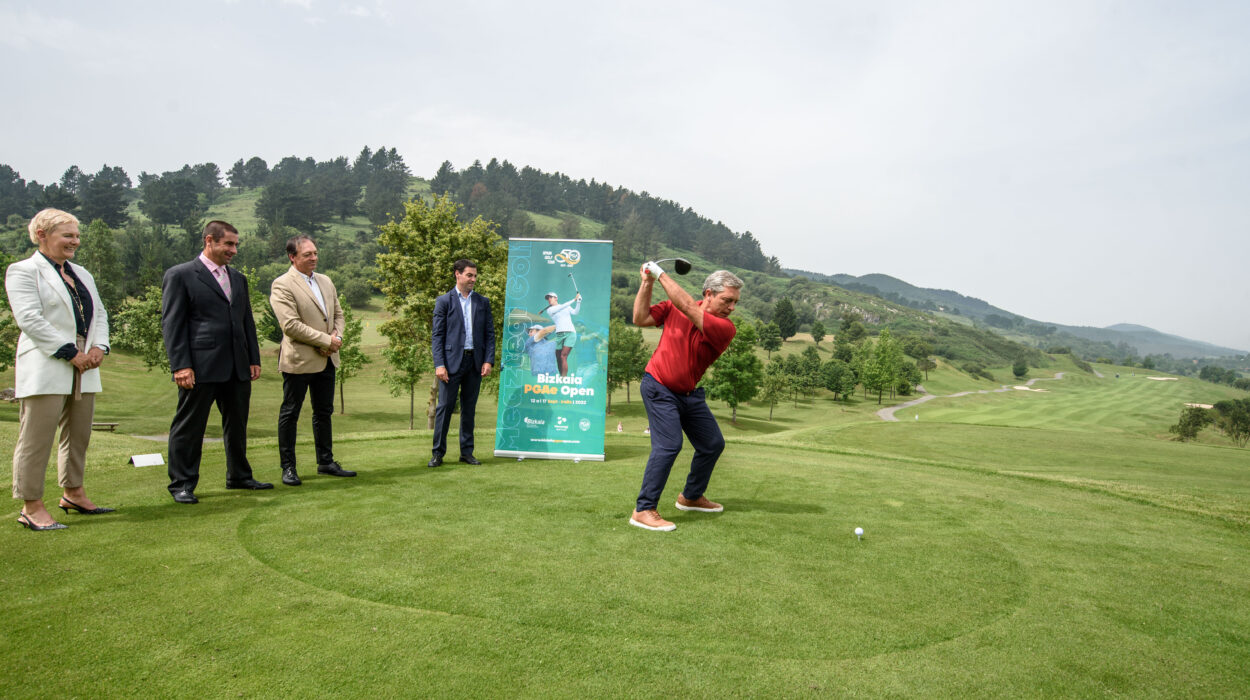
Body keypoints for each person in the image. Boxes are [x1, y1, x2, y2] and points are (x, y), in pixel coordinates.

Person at [6, 209, 113, 530]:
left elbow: (100, 314)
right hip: (47, 363)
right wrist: (70, 353)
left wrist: (99, 347)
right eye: (68, 235)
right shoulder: (23, 271)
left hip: (86, 365)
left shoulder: (82, 274)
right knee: (36, 438)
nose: (75, 242)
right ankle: (31, 505)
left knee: (79, 435)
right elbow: (30, 319)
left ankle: (73, 493)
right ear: (42, 234)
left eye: (77, 236)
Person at [161, 221, 271, 503]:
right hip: (200, 366)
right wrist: (180, 365)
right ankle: (182, 484)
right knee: (189, 427)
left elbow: (246, 320)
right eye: (229, 244)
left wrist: (253, 358)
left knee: (237, 425)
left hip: (237, 365)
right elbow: (172, 324)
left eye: (236, 245)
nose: (234, 250)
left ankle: (239, 476)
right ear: (209, 240)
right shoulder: (181, 275)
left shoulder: (238, 278)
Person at [629, 263, 743, 532]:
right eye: (727, 300)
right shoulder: (673, 308)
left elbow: (689, 308)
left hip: (689, 394)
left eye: (735, 302)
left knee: (712, 444)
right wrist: (647, 282)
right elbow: (640, 318)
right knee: (669, 445)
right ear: (709, 294)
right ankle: (643, 509)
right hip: (659, 387)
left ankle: (691, 497)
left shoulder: (725, 328)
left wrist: (659, 273)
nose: (732, 307)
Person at [269, 235, 354, 486]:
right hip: (300, 360)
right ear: (292, 257)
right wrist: (326, 341)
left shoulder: (325, 281)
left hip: (328, 360)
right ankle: (288, 467)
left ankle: (325, 462)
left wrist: (337, 337)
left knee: (324, 412)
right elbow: (290, 325)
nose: (314, 258)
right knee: (291, 413)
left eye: (315, 253)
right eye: (307, 254)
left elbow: (338, 315)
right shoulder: (282, 284)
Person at [429, 259, 494, 467]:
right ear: (457, 274)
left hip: (475, 362)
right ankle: (438, 453)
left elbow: (489, 334)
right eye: (469, 275)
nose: (473, 279)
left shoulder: (483, 302)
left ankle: (467, 453)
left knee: (469, 409)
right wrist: (439, 364)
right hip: (450, 364)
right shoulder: (444, 301)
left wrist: (488, 360)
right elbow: (437, 336)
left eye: (475, 276)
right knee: (444, 407)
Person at [542, 291, 581, 376]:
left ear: (556, 298)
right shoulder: (550, 310)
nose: (549, 299)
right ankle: (561, 377)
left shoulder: (566, 306)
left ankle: (564, 378)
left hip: (570, 333)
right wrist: (574, 299)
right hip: (559, 334)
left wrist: (578, 302)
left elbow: (575, 312)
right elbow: (561, 307)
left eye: (550, 297)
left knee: (563, 356)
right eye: (548, 298)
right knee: (558, 358)